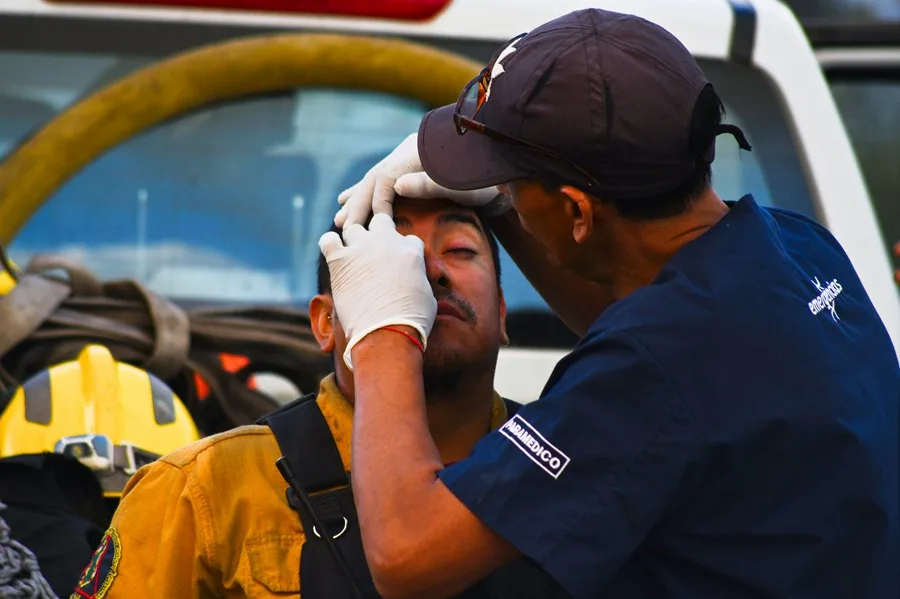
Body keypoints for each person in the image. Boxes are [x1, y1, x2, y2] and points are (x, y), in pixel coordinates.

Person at [320, 8, 900, 599]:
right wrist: (504, 211)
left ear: (577, 212)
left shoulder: (651, 369)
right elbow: (673, 358)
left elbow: (406, 553)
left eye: (513, 183)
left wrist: (383, 331)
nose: (507, 196)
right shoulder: (797, 246)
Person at [69, 197, 535, 599]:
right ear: (325, 323)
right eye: (389, 260)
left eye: (458, 250)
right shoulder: (200, 490)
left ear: (500, 310)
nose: (427, 272)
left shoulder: (572, 469)